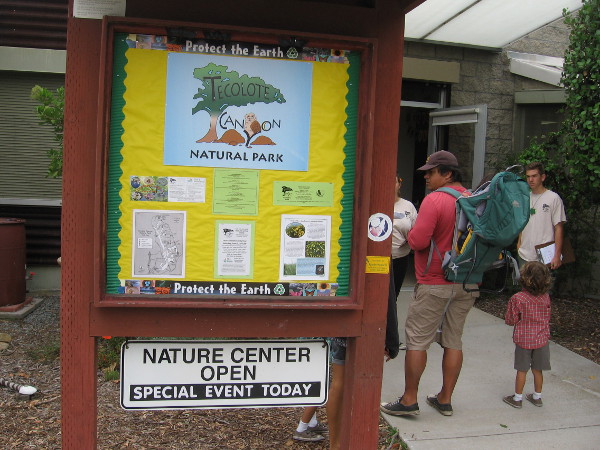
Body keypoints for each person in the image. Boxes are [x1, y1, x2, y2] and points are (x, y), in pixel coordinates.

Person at [380, 150, 479, 418]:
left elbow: (418, 241)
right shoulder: (471, 198)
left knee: (417, 341)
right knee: (453, 340)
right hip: (467, 281)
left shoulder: (434, 201)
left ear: (447, 173)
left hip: (435, 280)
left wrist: (408, 232)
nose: (426, 177)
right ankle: (445, 399)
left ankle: (409, 399)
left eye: (431, 172)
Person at [503, 261, 552, 408]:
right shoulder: (546, 297)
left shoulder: (518, 298)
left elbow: (511, 320)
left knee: (522, 369)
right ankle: (537, 397)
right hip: (542, 339)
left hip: (524, 339)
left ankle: (517, 398)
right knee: (538, 370)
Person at [518, 162, 566, 270]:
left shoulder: (553, 198)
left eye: (534, 176)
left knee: (543, 286)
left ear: (542, 177)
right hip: (524, 255)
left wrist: (557, 255)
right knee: (524, 286)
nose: (531, 180)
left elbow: (558, 228)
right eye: (528, 176)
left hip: (544, 256)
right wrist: (519, 246)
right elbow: (521, 224)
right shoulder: (525, 198)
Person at [392, 175, 417, 351]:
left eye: (393, 180)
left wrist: (410, 241)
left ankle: (390, 337)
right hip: (375, 260)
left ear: (399, 183)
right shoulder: (375, 201)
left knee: (393, 298)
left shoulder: (408, 206)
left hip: (399, 258)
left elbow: (417, 230)